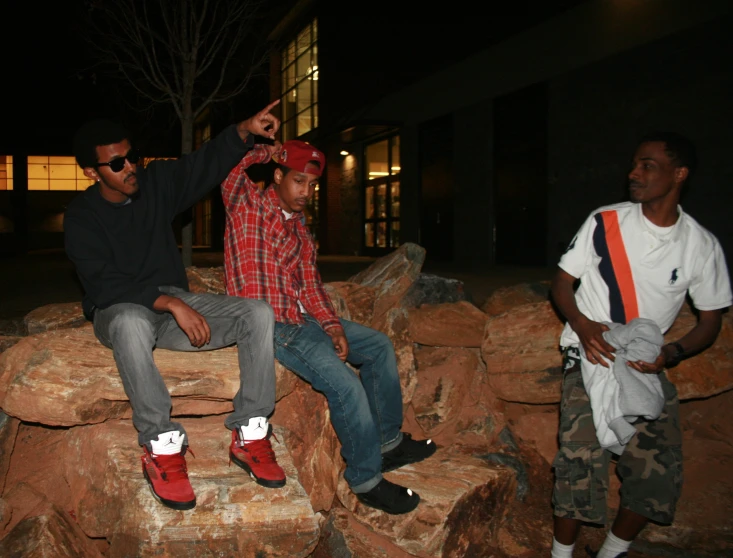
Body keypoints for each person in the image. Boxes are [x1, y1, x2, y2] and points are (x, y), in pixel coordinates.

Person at [64, 101, 288, 512]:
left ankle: (250, 433)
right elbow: (102, 283)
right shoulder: (81, 216)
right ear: (92, 172)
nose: (131, 166)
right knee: (132, 321)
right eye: (117, 163)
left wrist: (244, 129)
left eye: (132, 155)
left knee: (257, 314)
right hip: (119, 308)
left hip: (171, 309)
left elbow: (201, 165)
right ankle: (161, 444)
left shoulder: (155, 183)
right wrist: (168, 302)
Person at [220, 139, 437, 515]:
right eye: (299, 181)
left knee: (379, 346)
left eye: (313, 185)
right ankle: (366, 480)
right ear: (277, 175)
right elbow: (227, 170)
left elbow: (311, 284)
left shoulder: (301, 229)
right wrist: (267, 151)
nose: (306, 192)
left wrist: (333, 327)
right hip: (272, 327)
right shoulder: (248, 206)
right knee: (345, 385)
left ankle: (387, 442)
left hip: (302, 319)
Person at [549, 132, 732, 558]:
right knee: (578, 460)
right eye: (634, 164)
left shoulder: (700, 244)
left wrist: (671, 353)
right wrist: (582, 324)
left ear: (679, 174)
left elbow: (710, 321)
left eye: (648, 165)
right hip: (591, 352)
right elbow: (562, 283)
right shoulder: (605, 221)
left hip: (645, 362)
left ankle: (612, 552)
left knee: (658, 471)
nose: (634, 173)